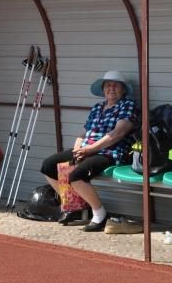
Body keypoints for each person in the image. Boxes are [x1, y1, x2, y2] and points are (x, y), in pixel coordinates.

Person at [39, 70, 140, 232]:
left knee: (76, 176)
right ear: (103, 89)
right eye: (107, 85)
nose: (111, 88)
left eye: (115, 85)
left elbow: (117, 133)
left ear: (123, 90)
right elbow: (84, 133)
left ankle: (100, 215)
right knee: (48, 165)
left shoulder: (128, 105)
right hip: (87, 149)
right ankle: (74, 206)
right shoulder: (97, 107)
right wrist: (78, 149)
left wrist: (89, 150)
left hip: (110, 152)